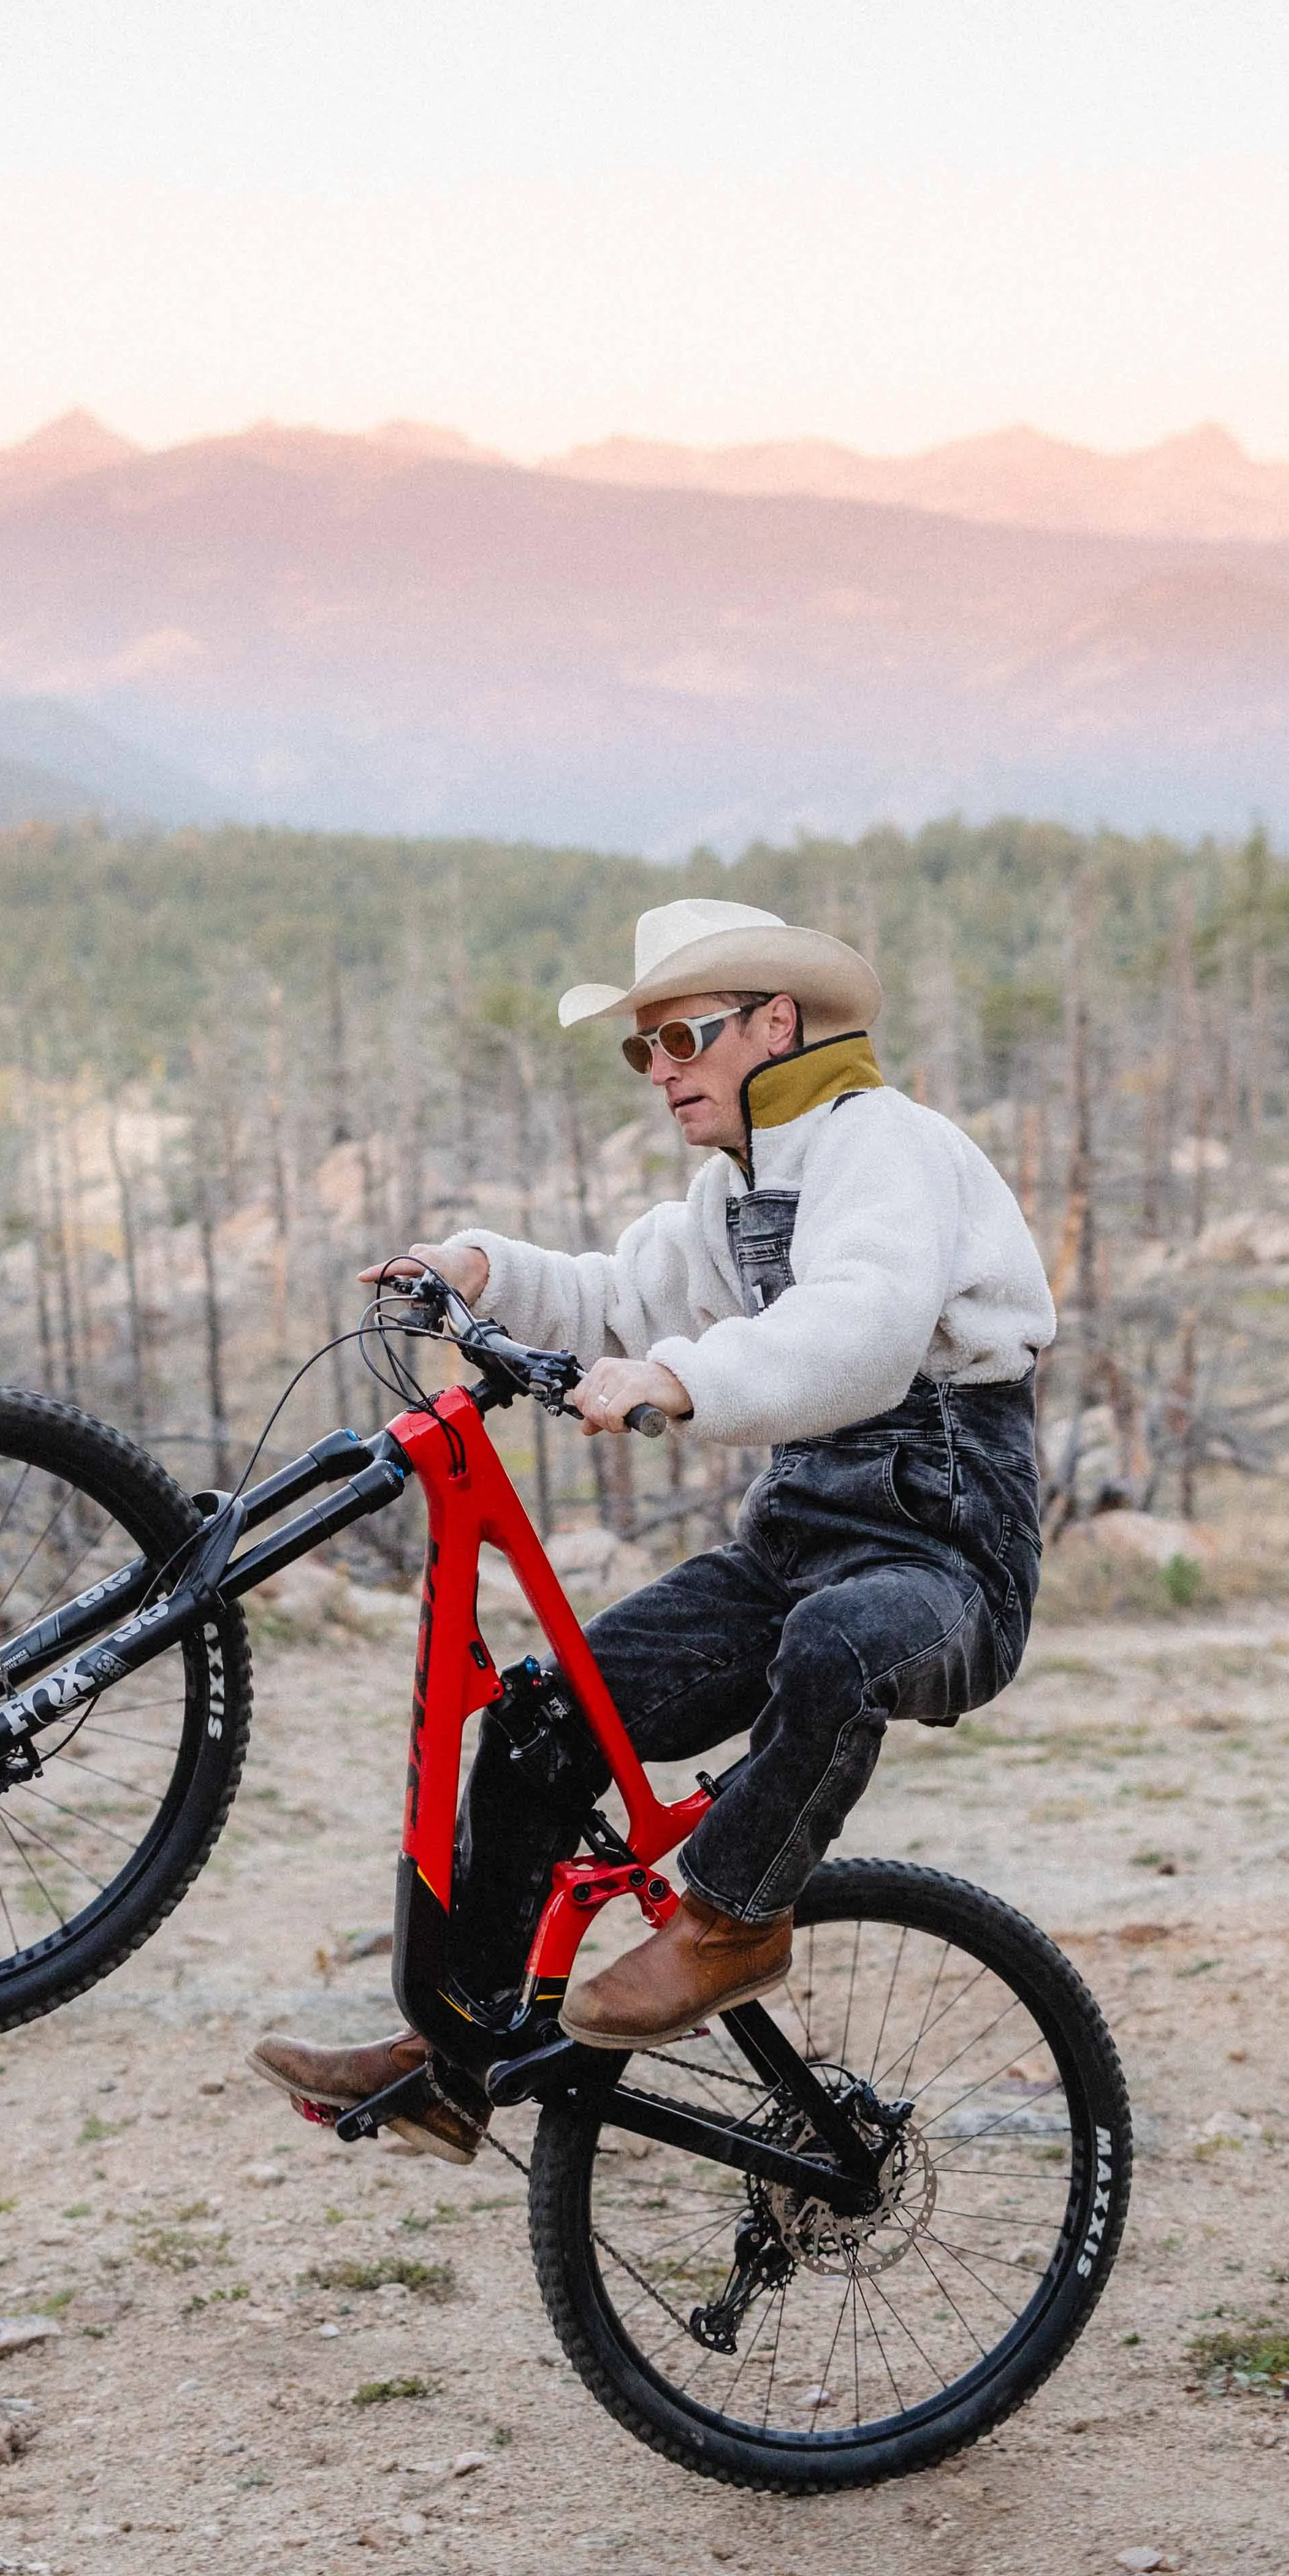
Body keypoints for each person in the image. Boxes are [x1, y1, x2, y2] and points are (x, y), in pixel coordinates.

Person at [249, 897, 1056, 2160]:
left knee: (840, 1644)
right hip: (793, 1541)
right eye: (645, 1052)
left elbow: (864, 1327)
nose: (661, 1074)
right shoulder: (731, 1190)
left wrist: (681, 1380)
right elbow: (614, 1295)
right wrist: (476, 1266)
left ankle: (734, 1918)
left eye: (683, 1040)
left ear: (777, 1024)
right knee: (541, 1717)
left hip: (947, 1551)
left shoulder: (882, 1145)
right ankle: (460, 2052)